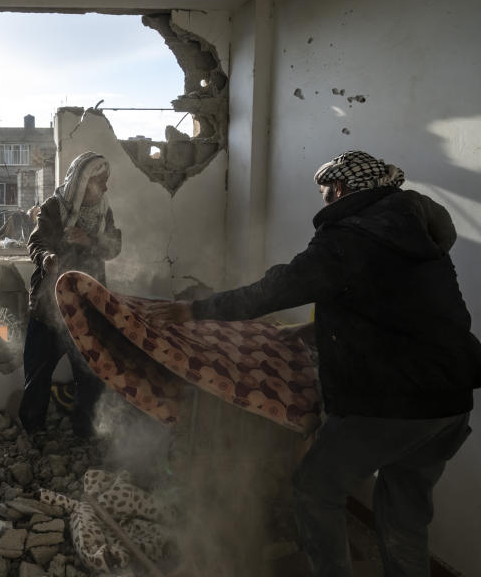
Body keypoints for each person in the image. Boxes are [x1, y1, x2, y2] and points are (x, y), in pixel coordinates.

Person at [152, 150, 481, 577]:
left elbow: (277, 289)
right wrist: (308, 332)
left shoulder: (349, 236)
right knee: (404, 517)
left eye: (326, 193)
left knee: (314, 488)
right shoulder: (416, 235)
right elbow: (395, 309)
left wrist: (194, 311)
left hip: (398, 402)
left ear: (341, 189)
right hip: (450, 400)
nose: (325, 202)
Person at [19, 151, 122, 437]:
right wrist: (48, 258)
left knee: (90, 375)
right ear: (81, 181)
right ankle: (33, 431)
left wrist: (89, 239)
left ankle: (84, 433)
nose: (104, 188)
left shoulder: (103, 211)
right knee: (37, 374)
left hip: (88, 310)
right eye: (99, 182)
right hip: (49, 309)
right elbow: (36, 241)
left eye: (105, 182)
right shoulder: (54, 208)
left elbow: (114, 247)